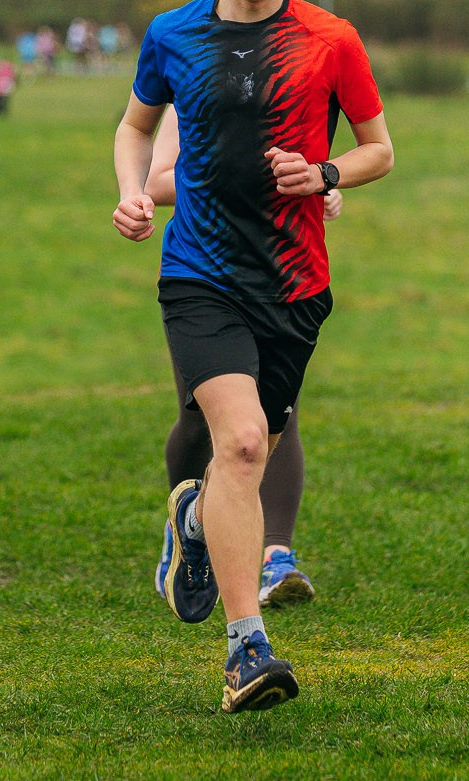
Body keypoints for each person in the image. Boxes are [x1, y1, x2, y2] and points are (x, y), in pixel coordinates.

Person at [111, 0, 393, 712]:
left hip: (295, 284)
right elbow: (134, 126)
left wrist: (326, 172)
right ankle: (246, 651)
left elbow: (381, 147)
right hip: (200, 275)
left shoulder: (332, 40)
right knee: (237, 442)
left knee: (252, 447)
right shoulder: (173, 34)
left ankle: (194, 523)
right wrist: (132, 189)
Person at [146, 107, 345, 609]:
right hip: (207, 281)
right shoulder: (186, 98)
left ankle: (276, 556)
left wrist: (318, 183)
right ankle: (188, 529)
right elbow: (157, 181)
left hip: (281, 276)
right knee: (199, 424)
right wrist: (234, 179)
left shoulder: (284, 96)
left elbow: (309, 167)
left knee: (279, 419)